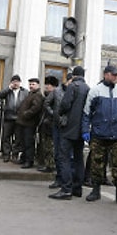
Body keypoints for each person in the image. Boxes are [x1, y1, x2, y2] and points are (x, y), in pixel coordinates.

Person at [82, 65, 117, 206]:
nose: (116, 77)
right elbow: (87, 113)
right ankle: (95, 190)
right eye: (113, 74)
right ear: (106, 74)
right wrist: (85, 130)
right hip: (99, 135)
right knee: (96, 164)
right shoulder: (95, 91)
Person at [49, 66, 89, 200]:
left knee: (64, 157)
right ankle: (77, 188)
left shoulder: (73, 86)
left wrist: (60, 112)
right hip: (80, 129)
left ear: (74, 76)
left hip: (69, 128)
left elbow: (65, 104)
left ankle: (66, 189)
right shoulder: (87, 88)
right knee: (78, 159)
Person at [0, 75, 26, 163]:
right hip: (8, 117)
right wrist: (8, 88)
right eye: (14, 81)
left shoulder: (24, 92)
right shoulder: (8, 91)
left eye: (17, 81)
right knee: (6, 136)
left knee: (18, 137)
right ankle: (6, 154)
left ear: (20, 82)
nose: (15, 83)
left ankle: (15, 155)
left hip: (19, 118)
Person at [16, 78, 44, 169]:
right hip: (24, 122)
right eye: (30, 84)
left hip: (30, 123)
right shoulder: (30, 94)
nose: (31, 86)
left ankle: (29, 161)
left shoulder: (38, 95)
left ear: (38, 85)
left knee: (29, 142)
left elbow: (35, 108)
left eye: (33, 84)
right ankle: (24, 158)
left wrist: (26, 114)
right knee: (23, 141)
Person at [37, 76, 59, 173]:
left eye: (48, 85)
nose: (46, 86)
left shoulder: (55, 95)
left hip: (50, 124)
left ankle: (50, 165)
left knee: (49, 146)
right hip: (45, 123)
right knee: (45, 145)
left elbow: (51, 110)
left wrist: (50, 116)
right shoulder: (47, 95)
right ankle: (47, 163)